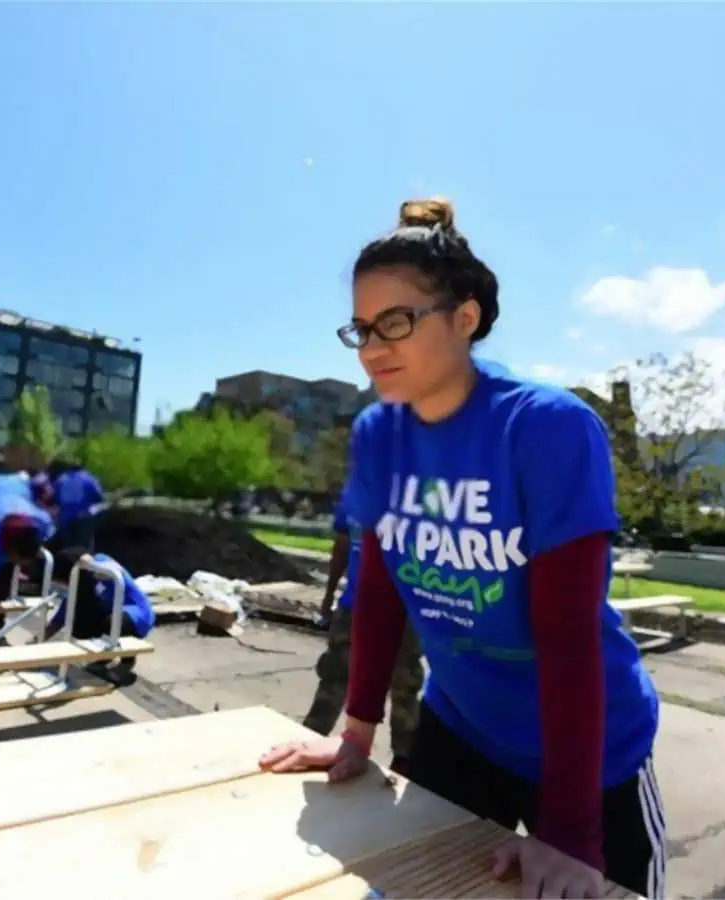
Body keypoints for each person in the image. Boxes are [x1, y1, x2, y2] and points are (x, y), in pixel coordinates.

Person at [259, 198, 664, 900]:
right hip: (462, 732)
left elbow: (569, 635)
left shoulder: (546, 426)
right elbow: (380, 591)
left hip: (587, 755)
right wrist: (356, 731)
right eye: (360, 329)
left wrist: (570, 832)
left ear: (465, 317)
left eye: (396, 321)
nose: (373, 347)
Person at [301, 496, 422, 776]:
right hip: (353, 607)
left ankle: (405, 758)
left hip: (402, 611)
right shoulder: (353, 495)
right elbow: (342, 546)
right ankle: (312, 734)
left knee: (404, 684)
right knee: (335, 675)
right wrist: (329, 594)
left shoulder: (414, 495)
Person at [42, 547, 154, 679]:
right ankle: (105, 656)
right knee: (79, 626)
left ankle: (127, 661)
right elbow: (63, 614)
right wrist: (38, 640)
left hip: (136, 614)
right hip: (110, 613)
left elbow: (117, 571)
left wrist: (92, 564)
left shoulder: (101, 562)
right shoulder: (83, 582)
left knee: (112, 622)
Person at [0, 473, 56, 643]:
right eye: (19, 561)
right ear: (7, 550)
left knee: (4, 579)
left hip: (14, 487)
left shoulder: (43, 522)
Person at [49, 460, 105, 549]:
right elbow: (99, 497)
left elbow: (56, 499)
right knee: (83, 547)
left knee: (67, 547)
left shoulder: (61, 480)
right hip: (83, 518)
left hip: (65, 520)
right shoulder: (89, 479)